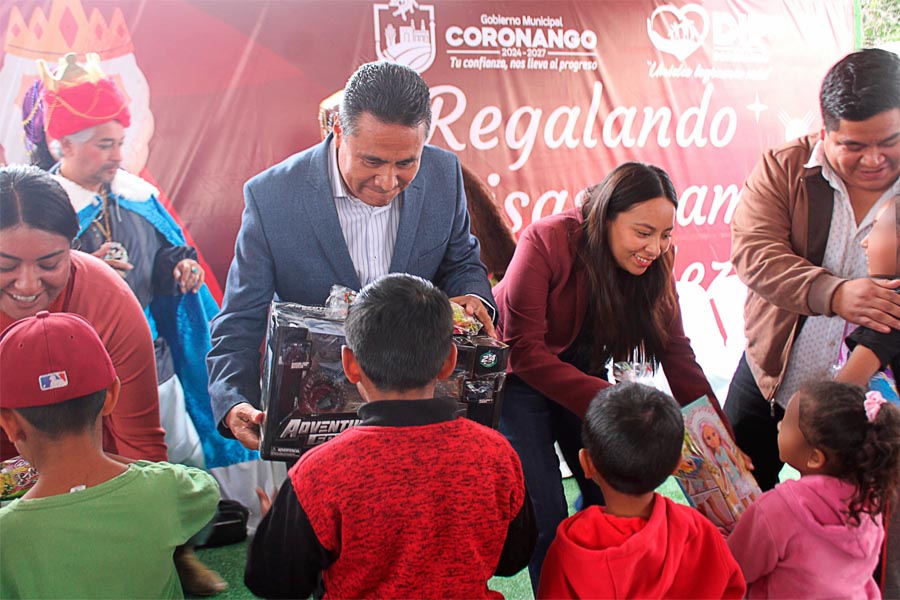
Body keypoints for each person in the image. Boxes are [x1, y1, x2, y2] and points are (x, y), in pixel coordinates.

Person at [208, 61, 496, 451]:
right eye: (372, 161)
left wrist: (473, 297)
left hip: (423, 411)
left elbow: (462, 260)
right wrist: (233, 400)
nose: (388, 181)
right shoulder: (272, 198)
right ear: (339, 131)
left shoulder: (444, 173)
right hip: (318, 418)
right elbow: (240, 319)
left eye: (406, 162)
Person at [493, 161, 725, 590]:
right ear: (605, 217)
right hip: (519, 382)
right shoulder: (547, 238)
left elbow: (676, 352)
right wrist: (609, 400)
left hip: (583, 373)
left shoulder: (656, 261)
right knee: (545, 518)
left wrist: (719, 436)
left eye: (665, 234)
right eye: (643, 232)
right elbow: (522, 350)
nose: (655, 247)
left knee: (617, 496)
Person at [0, 164, 226, 596]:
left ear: (74, 245)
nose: (27, 285)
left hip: (79, 449)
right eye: (5, 265)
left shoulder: (107, 298)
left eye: (49, 263)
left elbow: (139, 436)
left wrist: (164, 543)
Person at [26, 52, 255, 475]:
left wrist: (180, 268)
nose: (117, 154)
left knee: (181, 453)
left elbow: (165, 255)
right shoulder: (39, 210)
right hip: (78, 370)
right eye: (104, 144)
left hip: (152, 355)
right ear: (67, 144)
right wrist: (81, 274)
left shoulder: (137, 197)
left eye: (119, 142)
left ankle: (193, 531)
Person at [244, 273, 535, 598]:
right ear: (450, 361)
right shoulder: (496, 454)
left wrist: (276, 534)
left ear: (350, 365)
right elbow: (513, 559)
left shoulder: (319, 472)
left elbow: (274, 582)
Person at [727, 48, 900, 492]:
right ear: (824, 132)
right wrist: (835, 293)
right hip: (772, 376)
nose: (875, 159)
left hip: (873, 399)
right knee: (740, 492)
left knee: (861, 518)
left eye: (890, 141)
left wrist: (841, 390)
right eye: (854, 146)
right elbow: (754, 252)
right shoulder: (783, 168)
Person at [0, 311, 220, 599]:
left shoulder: (7, 535)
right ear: (112, 396)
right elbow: (206, 490)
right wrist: (117, 463)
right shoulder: (167, 489)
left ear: (8, 424)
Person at [537, 383, 745, 599]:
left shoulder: (570, 547)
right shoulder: (699, 531)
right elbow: (731, 589)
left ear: (587, 464)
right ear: (677, 465)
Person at [727, 381, 900, 598]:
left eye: (788, 423)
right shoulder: (871, 502)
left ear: (815, 457)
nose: (779, 425)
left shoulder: (776, 508)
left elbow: (734, 566)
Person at [835, 196, 899, 597]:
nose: (864, 242)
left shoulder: (890, 307)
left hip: (893, 474)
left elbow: (844, 389)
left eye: (876, 229)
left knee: (889, 571)